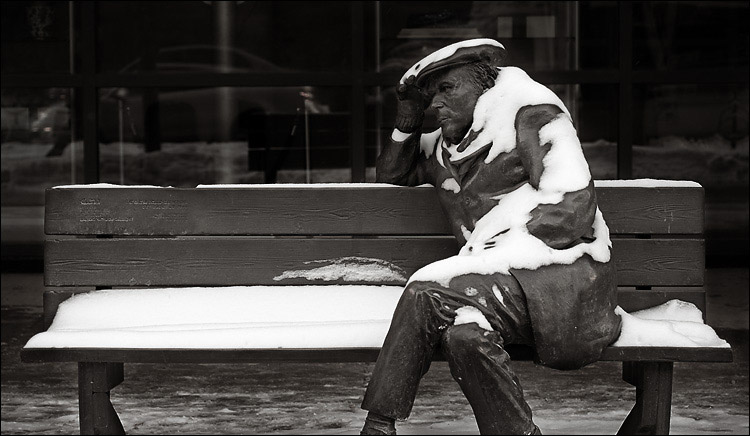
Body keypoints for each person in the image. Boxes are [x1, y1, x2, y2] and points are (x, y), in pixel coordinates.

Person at [360, 39, 622, 435]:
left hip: (559, 285)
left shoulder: (533, 116)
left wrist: (493, 248)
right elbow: (392, 174)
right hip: (495, 292)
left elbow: (572, 203)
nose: (436, 104)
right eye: (431, 97)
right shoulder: (443, 148)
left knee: (425, 292)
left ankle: (378, 426)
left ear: (484, 89)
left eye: (447, 90)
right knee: (465, 337)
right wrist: (408, 119)